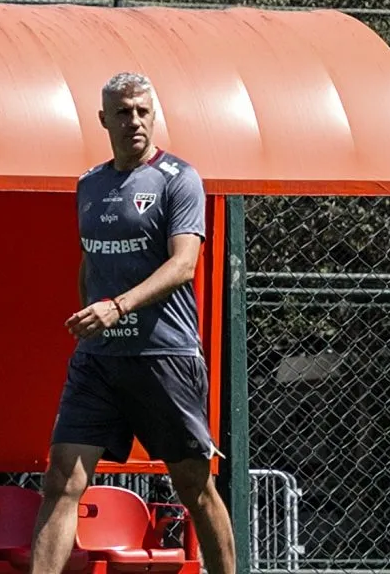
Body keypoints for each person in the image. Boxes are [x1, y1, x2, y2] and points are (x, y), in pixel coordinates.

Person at [28, 72, 236, 574]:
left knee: (194, 486)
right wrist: (91, 321)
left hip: (164, 357)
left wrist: (116, 307)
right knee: (61, 479)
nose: (135, 121)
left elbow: (183, 264)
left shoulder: (178, 179)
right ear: (104, 120)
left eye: (143, 111)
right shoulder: (89, 184)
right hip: (98, 363)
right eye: (123, 112)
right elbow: (90, 262)